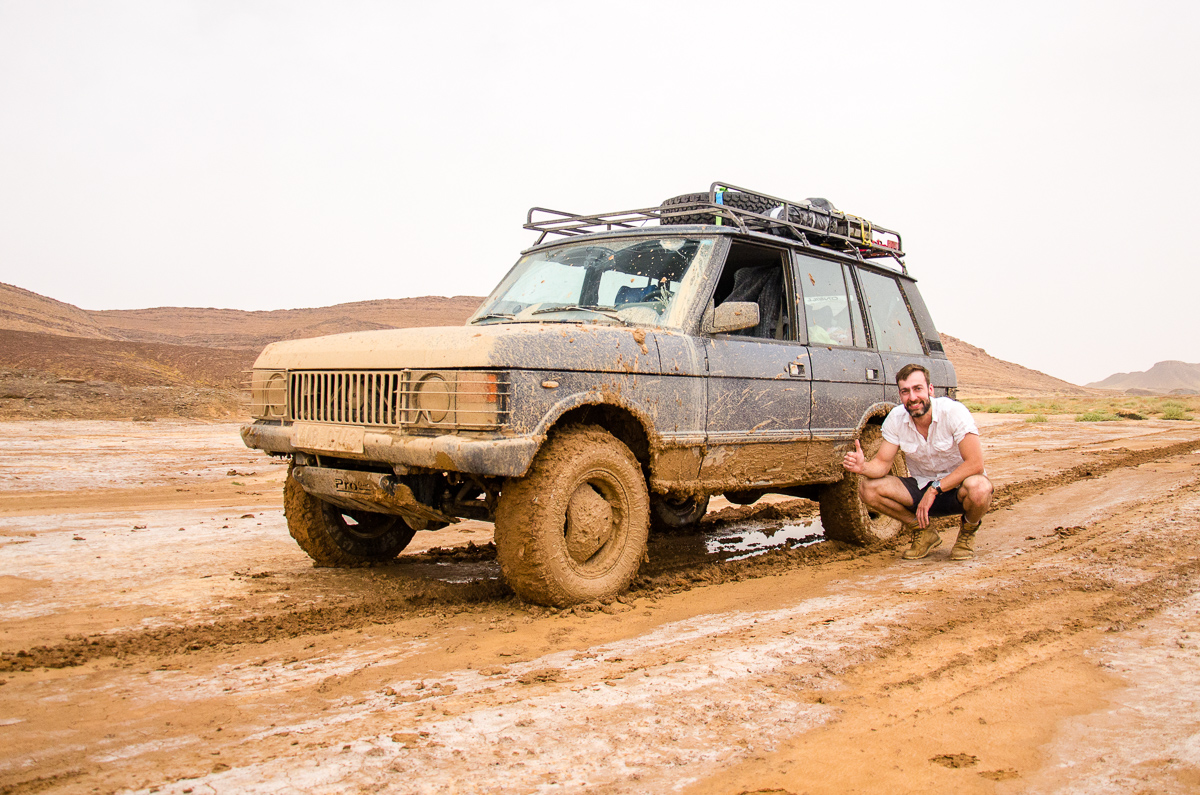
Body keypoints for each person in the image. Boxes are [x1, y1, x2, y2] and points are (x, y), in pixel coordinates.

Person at [841, 363, 994, 560]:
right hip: (922, 487)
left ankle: (967, 532)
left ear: (930, 389)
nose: (912, 397)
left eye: (917, 389)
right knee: (868, 489)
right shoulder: (896, 418)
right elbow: (882, 464)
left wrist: (935, 489)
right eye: (905, 391)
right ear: (900, 395)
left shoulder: (953, 412)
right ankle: (923, 531)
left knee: (980, 487)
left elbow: (975, 464)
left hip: (958, 489)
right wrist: (863, 467)